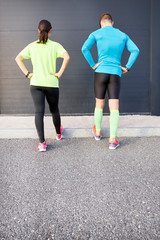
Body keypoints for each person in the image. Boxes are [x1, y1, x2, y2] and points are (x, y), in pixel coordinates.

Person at [81, 13, 139, 149]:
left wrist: (92, 64)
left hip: (100, 71)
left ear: (101, 23)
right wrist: (127, 67)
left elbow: (84, 48)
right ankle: (113, 140)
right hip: (115, 72)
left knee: (99, 103)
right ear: (112, 22)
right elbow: (135, 50)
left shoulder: (96, 33)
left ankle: (98, 133)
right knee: (114, 107)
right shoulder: (122, 35)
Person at [15, 19, 70, 152]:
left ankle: (42, 143)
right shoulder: (55, 45)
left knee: (39, 112)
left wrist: (28, 74)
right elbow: (67, 57)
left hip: (36, 83)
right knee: (54, 110)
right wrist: (59, 73)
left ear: (38, 31)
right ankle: (58, 134)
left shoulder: (32, 46)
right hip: (51, 83)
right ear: (50, 31)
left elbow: (18, 58)